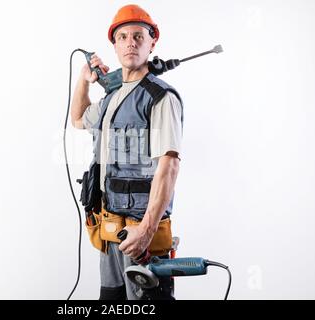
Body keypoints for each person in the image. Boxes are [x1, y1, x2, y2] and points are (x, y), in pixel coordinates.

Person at [70, 4, 183, 300]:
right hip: (109, 236)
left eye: (138, 36)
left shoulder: (160, 98)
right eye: (122, 37)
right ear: (114, 45)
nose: (130, 42)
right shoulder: (112, 98)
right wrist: (84, 79)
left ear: (152, 43)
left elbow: (168, 167)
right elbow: (79, 118)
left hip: (141, 240)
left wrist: (146, 231)